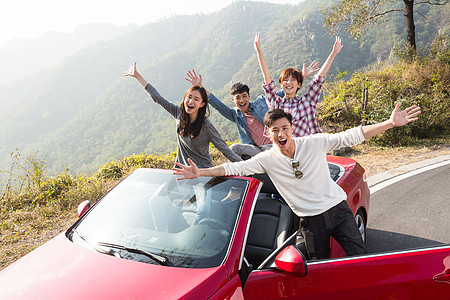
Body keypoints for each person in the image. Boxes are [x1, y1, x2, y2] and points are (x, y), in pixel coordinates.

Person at [172, 103, 421, 259]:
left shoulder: (313, 143)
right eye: (275, 131)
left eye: (284, 128)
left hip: (338, 210)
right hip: (311, 221)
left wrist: (390, 123)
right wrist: (200, 173)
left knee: (360, 256)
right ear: (268, 134)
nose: (281, 134)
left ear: (292, 128)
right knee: (318, 267)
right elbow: (234, 167)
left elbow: (352, 136)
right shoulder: (267, 159)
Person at [185, 64, 319, 158]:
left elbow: (284, 91)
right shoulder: (235, 115)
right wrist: (199, 86)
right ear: (233, 100)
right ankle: (240, 176)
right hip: (259, 150)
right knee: (234, 149)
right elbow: (216, 103)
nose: (242, 100)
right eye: (238, 98)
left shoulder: (262, 102)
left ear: (249, 97)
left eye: (244, 96)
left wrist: (302, 76)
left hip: (276, 144)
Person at [124, 62, 242, 169]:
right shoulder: (178, 113)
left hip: (202, 174)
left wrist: (248, 168)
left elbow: (224, 149)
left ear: (202, 104)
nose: (191, 101)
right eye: (189, 97)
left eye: (196, 99)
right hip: (180, 172)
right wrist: (137, 76)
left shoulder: (205, 126)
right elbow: (157, 98)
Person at [254, 32, 343, 137]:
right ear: (281, 84)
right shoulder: (276, 104)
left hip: (308, 148)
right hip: (285, 149)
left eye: (293, 80)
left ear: (299, 84)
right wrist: (259, 51)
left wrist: (333, 53)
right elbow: (267, 79)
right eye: (285, 80)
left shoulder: (307, 101)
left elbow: (318, 78)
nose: (289, 82)